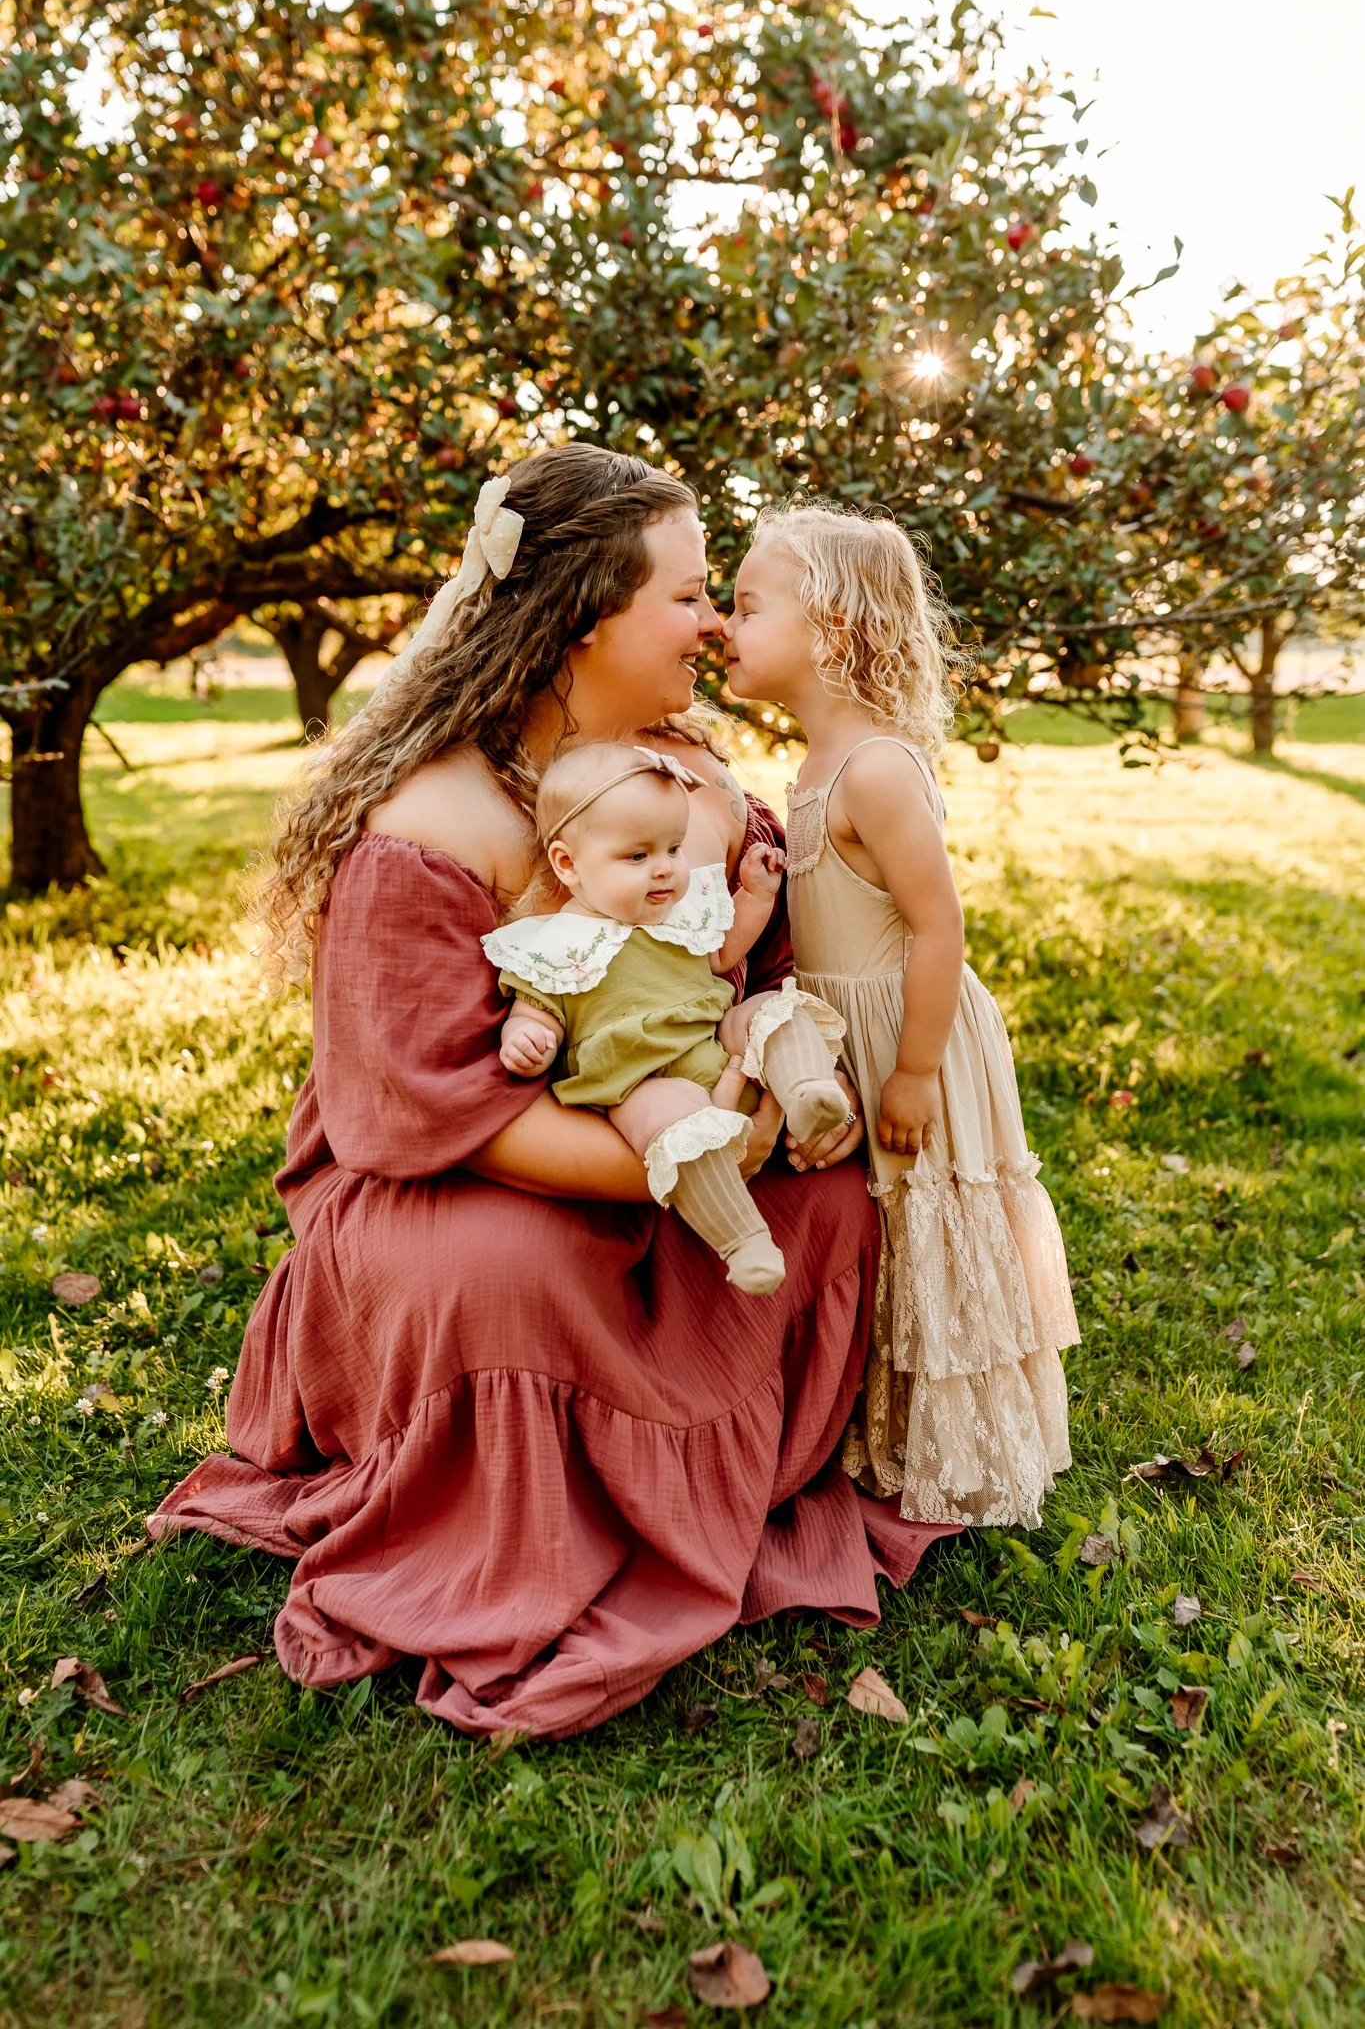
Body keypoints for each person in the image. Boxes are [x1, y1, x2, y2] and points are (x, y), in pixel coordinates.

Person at [148, 446, 958, 1738]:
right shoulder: (429, 822)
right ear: (588, 614)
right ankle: (531, 1516)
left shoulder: (681, 775)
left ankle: (697, 1475)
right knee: (510, 1277)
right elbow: (418, 1111)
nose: (713, 625)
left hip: (685, 1129)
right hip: (455, 1177)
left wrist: (769, 1095)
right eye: (689, 596)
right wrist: (682, 1158)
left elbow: (767, 954)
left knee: (836, 1207)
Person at [722, 502, 1076, 1529]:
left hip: (913, 1038)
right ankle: (892, 1426)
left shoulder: (874, 770)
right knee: (889, 1231)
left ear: (828, 629)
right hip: (854, 1036)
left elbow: (937, 928)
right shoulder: (809, 771)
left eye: (747, 607)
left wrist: (915, 1069)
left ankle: (969, 1446)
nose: (723, 629)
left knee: (935, 1218)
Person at [485, 738, 847, 1295]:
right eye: (638, 856)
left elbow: (724, 955)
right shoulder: (553, 945)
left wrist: (755, 894)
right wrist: (527, 1037)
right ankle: (744, 1240)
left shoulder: (678, 914)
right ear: (568, 863)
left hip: (712, 1038)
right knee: (674, 1127)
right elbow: (538, 1012)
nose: (665, 870)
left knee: (767, 1010)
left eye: (673, 849)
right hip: (642, 1079)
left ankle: (808, 1092)